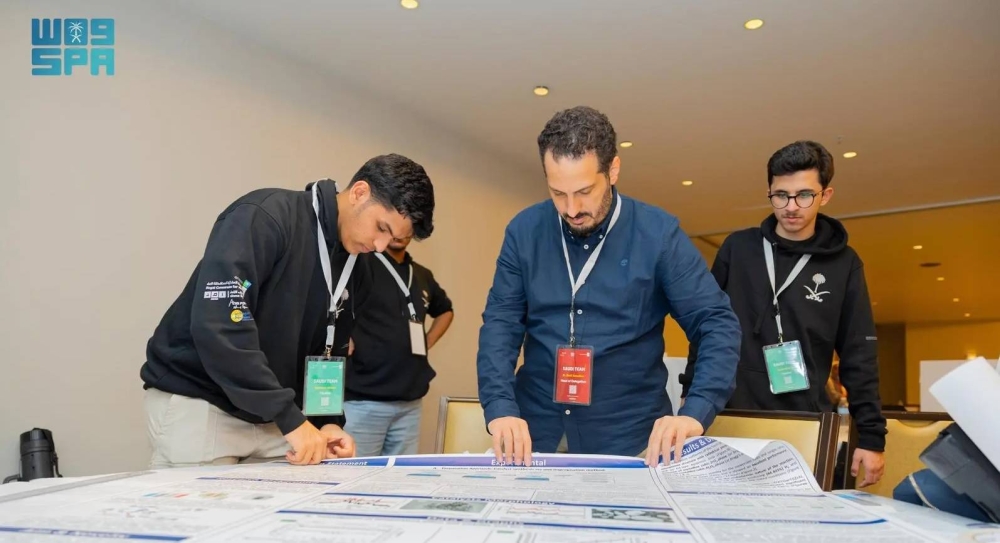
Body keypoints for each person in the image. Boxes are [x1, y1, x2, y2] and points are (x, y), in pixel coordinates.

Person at [476, 106, 742, 466]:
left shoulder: (658, 235)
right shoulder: (524, 232)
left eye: (584, 191)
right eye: (558, 193)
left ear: (613, 170)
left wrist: (695, 412)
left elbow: (715, 322)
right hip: (535, 436)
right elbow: (501, 324)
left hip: (630, 441)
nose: (572, 209)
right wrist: (500, 408)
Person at [140, 154, 435, 468]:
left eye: (393, 239)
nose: (380, 246)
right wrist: (289, 417)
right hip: (205, 402)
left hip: (276, 419)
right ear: (359, 192)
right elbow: (222, 325)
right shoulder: (265, 217)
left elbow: (331, 349)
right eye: (381, 228)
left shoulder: (359, 268)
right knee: (203, 503)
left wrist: (327, 421)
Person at [683, 141, 887, 486]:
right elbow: (706, 327)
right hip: (729, 415)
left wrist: (871, 437)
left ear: (825, 195)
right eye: (781, 195)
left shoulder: (845, 264)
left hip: (802, 422)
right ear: (769, 193)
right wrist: (691, 396)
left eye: (804, 195)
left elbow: (859, 354)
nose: (791, 207)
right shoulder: (738, 249)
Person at [344, 236, 454, 457]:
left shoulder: (421, 274)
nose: (399, 233)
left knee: (400, 475)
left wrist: (428, 341)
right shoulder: (361, 264)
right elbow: (332, 299)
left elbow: (445, 311)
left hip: (409, 403)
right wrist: (343, 333)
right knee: (355, 472)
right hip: (363, 400)